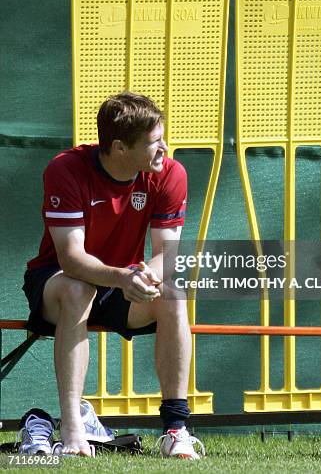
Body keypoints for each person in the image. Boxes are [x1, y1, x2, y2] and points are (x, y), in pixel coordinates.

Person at [21, 91, 204, 459]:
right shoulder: (65, 169)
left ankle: (175, 429)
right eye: (154, 142)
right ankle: (72, 427)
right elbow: (71, 259)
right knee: (78, 290)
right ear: (119, 148)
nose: (164, 149)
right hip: (57, 281)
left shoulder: (170, 174)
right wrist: (123, 277)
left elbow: (167, 256)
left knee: (173, 293)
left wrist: (140, 277)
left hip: (121, 283)